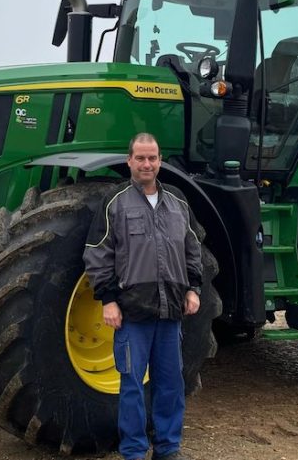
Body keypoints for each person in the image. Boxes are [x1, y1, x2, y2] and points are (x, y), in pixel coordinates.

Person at [83, 132, 202, 460]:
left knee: (171, 385)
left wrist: (193, 288)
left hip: (170, 311)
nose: (147, 164)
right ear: (129, 161)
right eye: (140, 158)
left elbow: (193, 248)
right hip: (132, 312)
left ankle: (168, 448)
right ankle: (134, 451)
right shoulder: (115, 201)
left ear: (160, 161)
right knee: (133, 386)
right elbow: (97, 253)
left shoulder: (177, 201)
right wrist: (107, 299)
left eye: (152, 158)